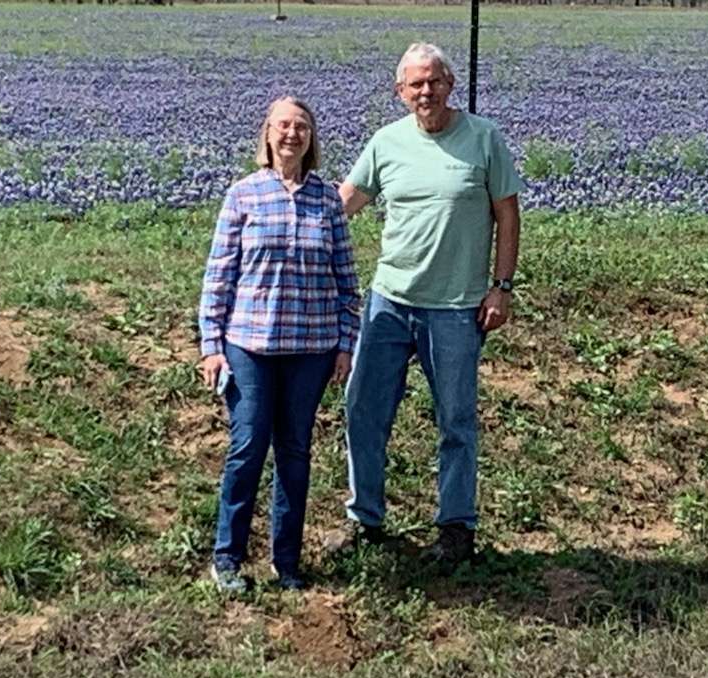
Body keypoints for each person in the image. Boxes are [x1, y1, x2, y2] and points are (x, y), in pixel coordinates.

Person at [331, 42, 522, 569]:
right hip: (389, 301)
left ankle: (456, 527)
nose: (425, 92)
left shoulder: (484, 138)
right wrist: (288, 215)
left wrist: (501, 285)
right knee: (364, 410)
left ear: (450, 84)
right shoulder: (385, 143)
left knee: (456, 420)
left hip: (457, 307)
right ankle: (365, 520)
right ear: (400, 92)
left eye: (434, 81)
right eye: (415, 84)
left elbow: (507, 215)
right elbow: (343, 203)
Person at [199, 97, 360, 593]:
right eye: (283, 125)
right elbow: (218, 275)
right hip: (248, 343)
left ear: (311, 138)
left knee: (295, 450)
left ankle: (286, 562)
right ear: (267, 135)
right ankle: (227, 557)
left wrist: (345, 343)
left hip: (311, 345)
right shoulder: (243, 195)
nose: (292, 134)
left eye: (302, 126)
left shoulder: (327, 199)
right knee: (248, 444)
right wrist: (211, 344)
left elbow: (347, 280)